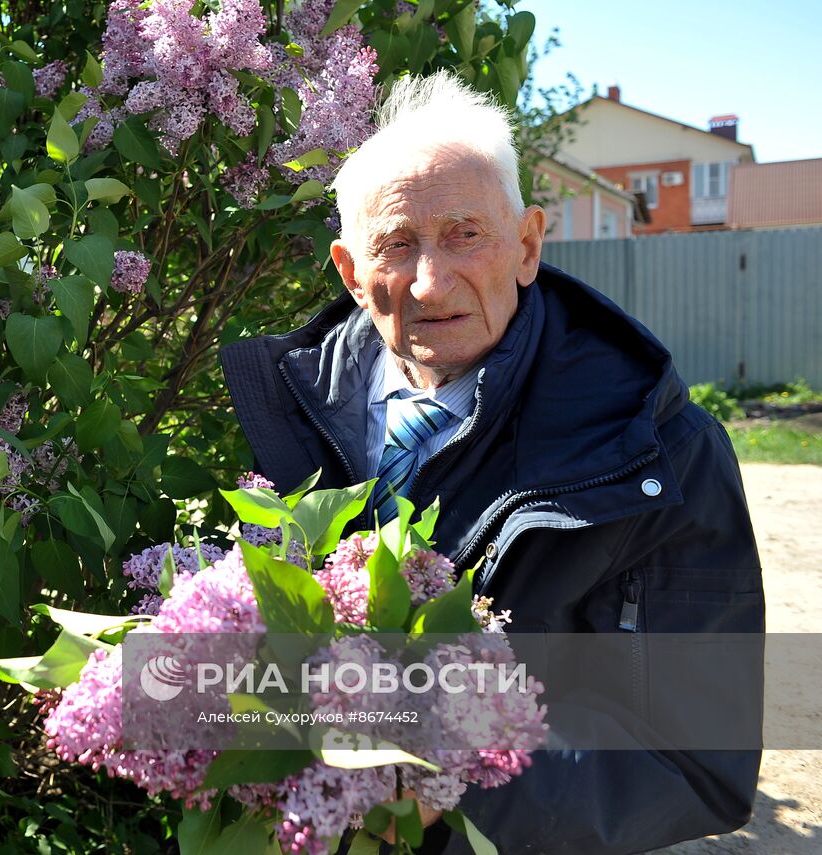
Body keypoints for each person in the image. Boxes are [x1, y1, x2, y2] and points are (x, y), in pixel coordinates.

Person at [218, 72, 764, 853]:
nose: (431, 280)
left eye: (465, 233)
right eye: (397, 244)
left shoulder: (662, 450)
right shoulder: (284, 414)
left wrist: (451, 776)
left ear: (528, 246)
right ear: (348, 270)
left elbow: (697, 764)